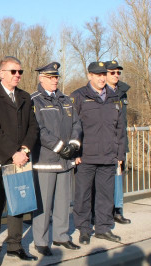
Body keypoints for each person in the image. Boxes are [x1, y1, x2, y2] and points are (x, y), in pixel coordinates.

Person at [0, 56, 38, 265]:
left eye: (20, 72)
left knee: (18, 204)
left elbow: (33, 126)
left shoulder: (25, 97)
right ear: (1, 73)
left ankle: (15, 245)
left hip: (19, 159)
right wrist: (13, 151)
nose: (18, 75)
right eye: (13, 71)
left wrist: (24, 149)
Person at [30, 62, 82, 256]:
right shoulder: (34, 100)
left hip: (66, 160)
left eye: (56, 77)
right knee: (43, 204)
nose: (55, 80)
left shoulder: (65, 99)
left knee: (63, 201)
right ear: (41, 78)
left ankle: (61, 236)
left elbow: (77, 123)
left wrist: (75, 144)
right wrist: (60, 146)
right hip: (46, 160)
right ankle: (41, 241)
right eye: (50, 77)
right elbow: (38, 129)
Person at [71, 62, 126, 245]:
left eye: (104, 74)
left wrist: (120, 154)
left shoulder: (114, 97)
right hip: (85, 156)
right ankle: (84, 230)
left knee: (105, 196)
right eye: (97, 75)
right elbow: (72, 126)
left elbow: (120, 129)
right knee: (83, 196)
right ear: (89, 76)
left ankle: (103, 228)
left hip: (108, 156)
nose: (102, 78)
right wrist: (75, 152)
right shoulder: (79, 97)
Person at [104, 60, 131, 225]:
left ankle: (117, 211)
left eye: (118, 72)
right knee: (103, 180)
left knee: (118, 177)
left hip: (121, 140)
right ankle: (101, 213)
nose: (116, 75)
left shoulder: (122, 92)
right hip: (106, 142)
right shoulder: (100, 92)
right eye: (112, 72)